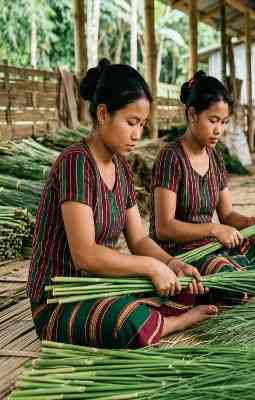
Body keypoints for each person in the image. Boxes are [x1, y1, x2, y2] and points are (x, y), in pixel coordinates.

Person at [26, 59, 216, 349]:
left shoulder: (122, 168)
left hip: (101, 288)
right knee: (126, 319)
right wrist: (150, 267)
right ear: (103, 113)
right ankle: (172, 323)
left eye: (142, 124)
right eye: (131, 122)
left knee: (186, 288)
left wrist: (172, 263)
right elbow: (85, 255)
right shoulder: (76, 164)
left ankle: (155, 315)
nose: (137, 134)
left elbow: (138, 239)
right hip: (61, 299)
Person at [151, 71, 255, 280]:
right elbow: (164, 228)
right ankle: (246, 288)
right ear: (192, 115)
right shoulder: (171, 157)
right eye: (213, 120)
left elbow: (228, 216)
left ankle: (246, 287)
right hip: (178, 252)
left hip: (209, 244)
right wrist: (214, 229)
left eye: (223, 122)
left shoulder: (215, 158)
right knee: (223, 271)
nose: (219, 130)